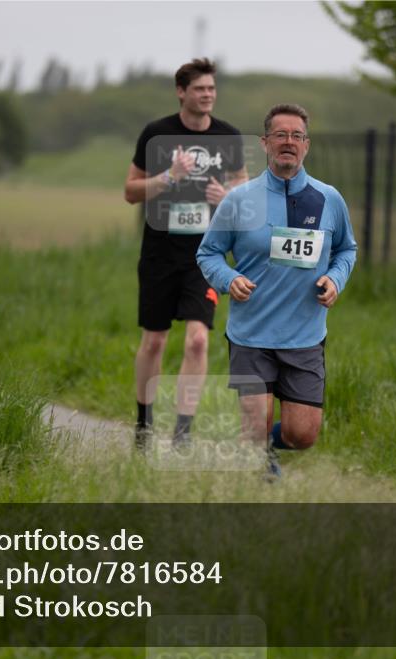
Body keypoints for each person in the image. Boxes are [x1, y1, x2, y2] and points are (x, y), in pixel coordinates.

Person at [196, 104, 357, 479]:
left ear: (307, 145)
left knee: (302, 435)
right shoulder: (239, 200)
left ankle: (254, 447)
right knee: (254, 429)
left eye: (297, 136)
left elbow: (347, 249)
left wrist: (336, 279)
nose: (289, 142)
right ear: (265, 143)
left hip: (304, 335)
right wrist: (227, 279)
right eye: (281, 135)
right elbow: (209, 252)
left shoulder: (329, 198)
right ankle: (255, 460)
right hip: (251, 334)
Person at [123, 58, 248, 450]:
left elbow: (243, 193)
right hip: (160, 252)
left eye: (212, 89)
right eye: (199, 89)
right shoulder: (157, 134)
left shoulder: (228, 137)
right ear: (181, 92)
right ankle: (143, 425)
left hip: (206, 256)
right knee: (155, 341)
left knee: (197, 341)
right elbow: (130, 191)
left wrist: (226, 196)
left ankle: (182, 432)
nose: (207, 95)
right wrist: (168, 178)